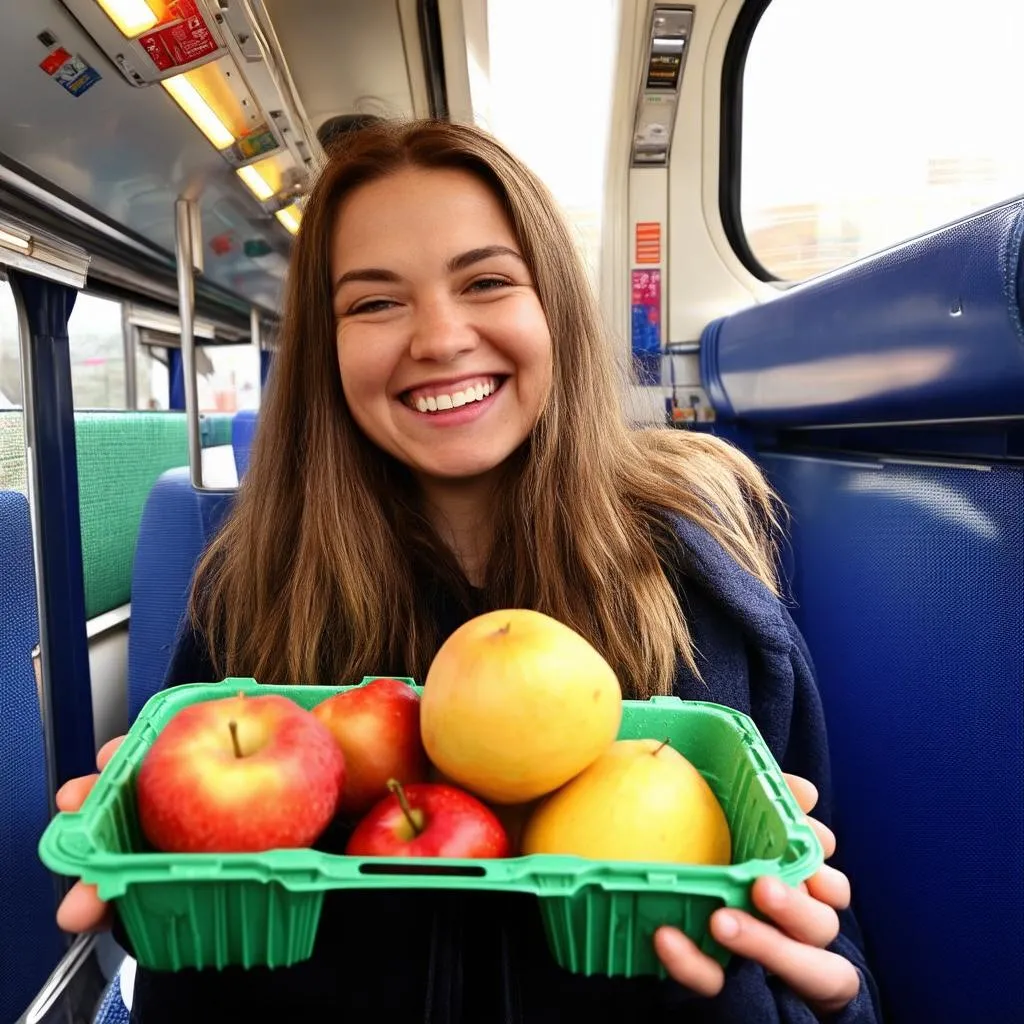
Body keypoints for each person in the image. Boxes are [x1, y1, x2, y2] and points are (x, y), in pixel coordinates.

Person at [53, 119, 882, 1023]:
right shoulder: (254, 593)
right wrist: (157, 896)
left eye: (486, 281)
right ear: (326, 353)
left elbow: (829, 943)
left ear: (553, 308)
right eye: (375, 303)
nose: (441, 338)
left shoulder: (698, 584)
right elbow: (200, 950)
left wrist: (825, 998)